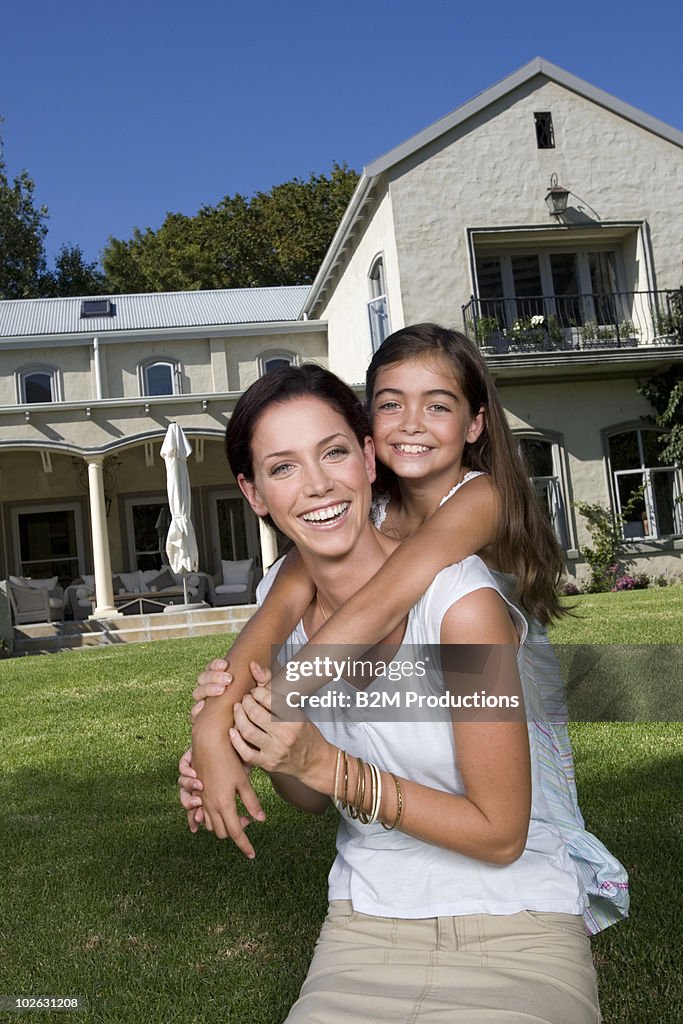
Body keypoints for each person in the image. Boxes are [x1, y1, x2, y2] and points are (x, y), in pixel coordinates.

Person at [182, 323, 628, 935]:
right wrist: (215, 729)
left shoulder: (480, 499)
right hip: (423, 713)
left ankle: (555, 876)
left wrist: (253, 715)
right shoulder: (362, 508)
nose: (411, 423)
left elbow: (384, 599)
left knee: (527, 805)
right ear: (371, 428)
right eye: (391, 403)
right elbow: (278, 607)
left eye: (438, 405)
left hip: (494, 682)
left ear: (475, 424)